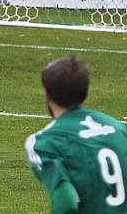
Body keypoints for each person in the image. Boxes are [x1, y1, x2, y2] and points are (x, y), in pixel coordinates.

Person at [25, 57, 127, 213]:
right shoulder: (117, 128)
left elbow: (65, 203)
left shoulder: (43, 142)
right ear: (85, 93)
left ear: (48, 96)